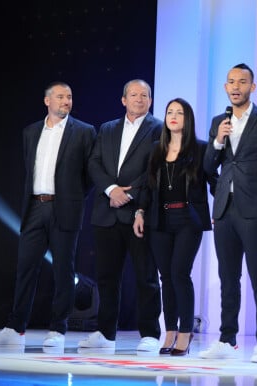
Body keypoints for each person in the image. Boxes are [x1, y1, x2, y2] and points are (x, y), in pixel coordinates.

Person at [0, 81, 96, 347]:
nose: (66, 101)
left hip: (64, 208)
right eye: (60, 97)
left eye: (69, 97)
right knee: (25, 267)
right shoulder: (31, 131)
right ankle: (16, 327)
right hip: (35, 206)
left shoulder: (84, 131)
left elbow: (90, 174)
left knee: (63, 271)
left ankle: (58, 329)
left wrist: (73, 198)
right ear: (47, 101)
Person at [198, 63, 257, 363]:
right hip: (224, 208)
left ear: (253, 86)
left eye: (243, 81)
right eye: (231, 82)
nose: (236, 86)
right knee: (227, 277)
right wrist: (218, 140)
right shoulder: (217, 122)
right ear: (225, 87)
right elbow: (208, 166)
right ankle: (227, 338)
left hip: (256, 207)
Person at [79, 79, 163, 354]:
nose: (139, 99)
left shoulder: (158, 129)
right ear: (123, 100)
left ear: (150, 101)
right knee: (106, 277)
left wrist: (131, 193)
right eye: (134, 94)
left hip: (139, 213)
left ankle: (150, 333)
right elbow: (94, 162)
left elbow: (156, 168)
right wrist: (111, 189)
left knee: (146, 276)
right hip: (106, 210)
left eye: (145, 95)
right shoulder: (107, 129)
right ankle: (105, 333)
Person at [133, 97, 217, 356]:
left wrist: (223, 208)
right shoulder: (155, 149)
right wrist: (139, 212)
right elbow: (147, 187)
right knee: (166, 277)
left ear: (187, 119)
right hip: (160, 220)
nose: (173, 116)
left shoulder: (200, 149)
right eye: (170, 112)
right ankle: (169, 331)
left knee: (180, 273)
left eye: (179, 112)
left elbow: (215, 180)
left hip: (187, 220)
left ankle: (185, 331)